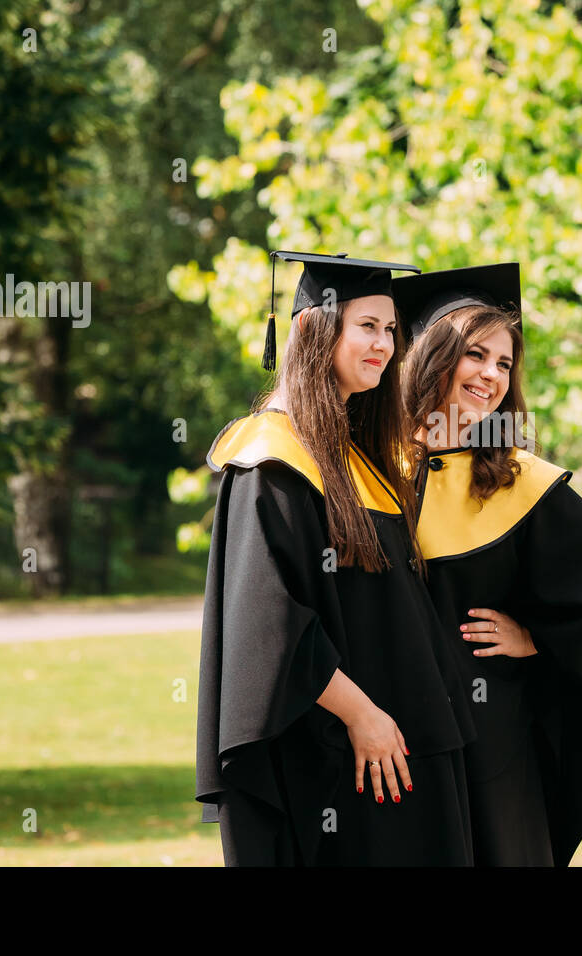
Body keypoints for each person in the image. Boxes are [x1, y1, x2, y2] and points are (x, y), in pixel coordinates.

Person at [394, 262, 582, 866]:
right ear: (431, 356)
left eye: (505, 364)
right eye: (475, 355)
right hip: (392, 737)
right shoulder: (371, 471)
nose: (491, 375)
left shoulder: (518, 483)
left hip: (492, 740)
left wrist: (539, 641)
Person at [195, 251, 477, 866]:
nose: (384, 344)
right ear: (311, 328)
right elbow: (267, 626)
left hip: (405, 745)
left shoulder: (355, 457)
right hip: (344, 756)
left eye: (390, 329)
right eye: (367, 326)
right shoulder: (272, 463)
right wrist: (364, 716)